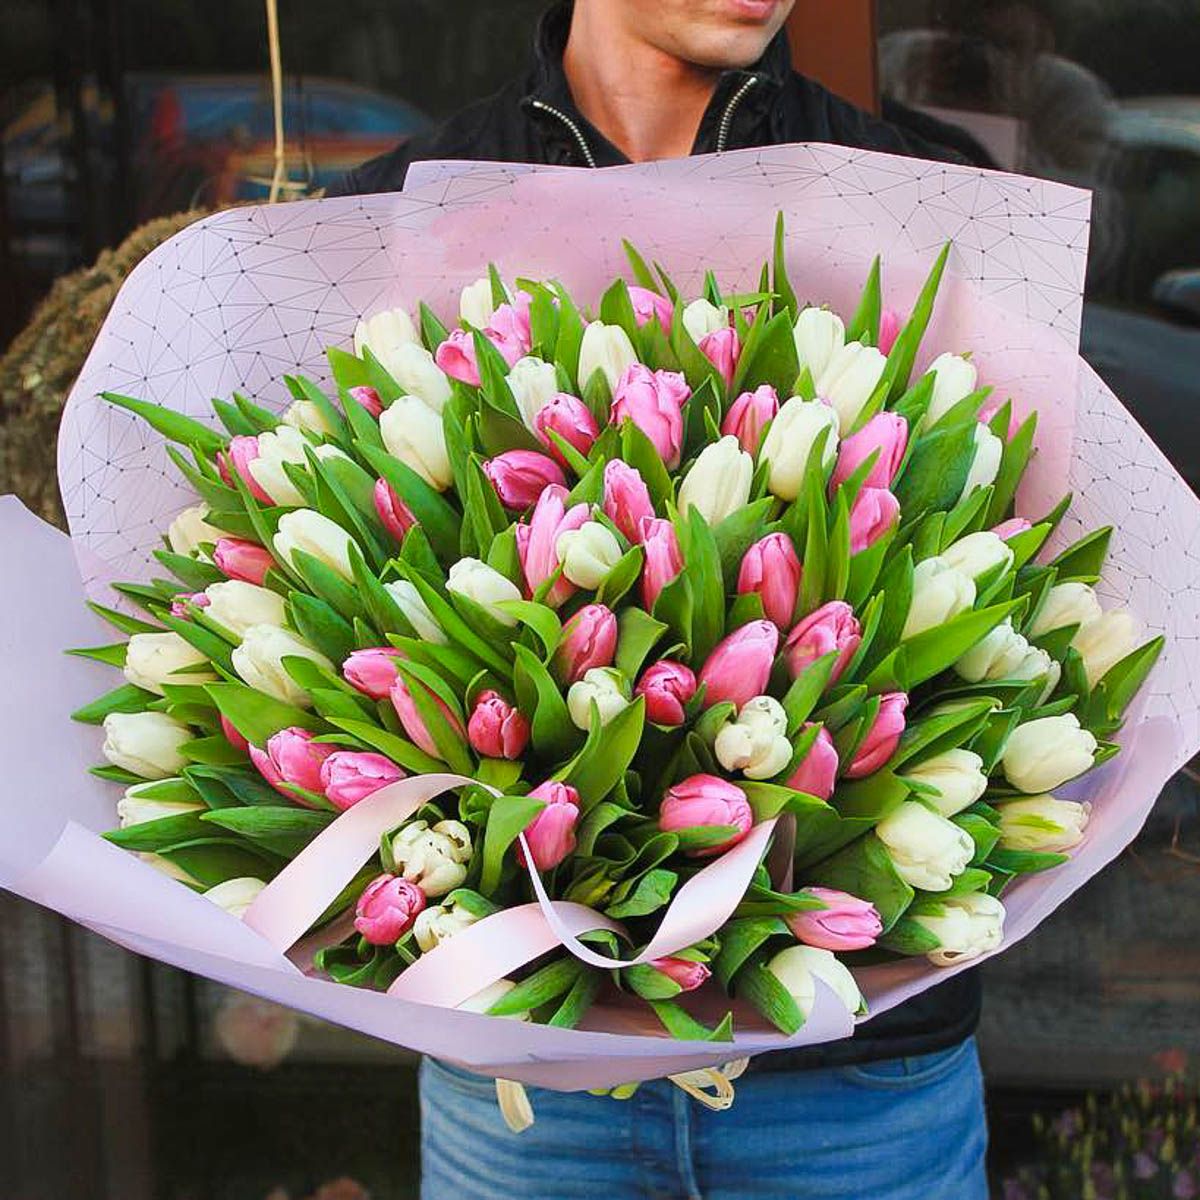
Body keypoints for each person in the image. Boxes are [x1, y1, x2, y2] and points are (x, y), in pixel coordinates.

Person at [332, 4, 989, 1197]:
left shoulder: (916, 194)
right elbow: (344, 617)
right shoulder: (403, 212)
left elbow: (1009, 589)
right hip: (527, 1102)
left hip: (856, 1087)